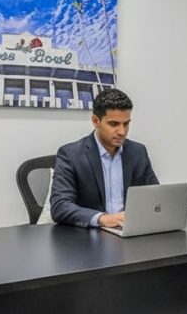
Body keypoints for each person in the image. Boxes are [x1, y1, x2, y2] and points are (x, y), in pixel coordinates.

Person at [50, 88, 159, 228]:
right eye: (113, 124)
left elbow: (155, 197)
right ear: (96, 121)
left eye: (126, 124)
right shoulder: (71, 155)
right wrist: (102, 218)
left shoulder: (138, 152)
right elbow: (60, 206)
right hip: (90, 238)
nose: (122, 132)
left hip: (130, 232)